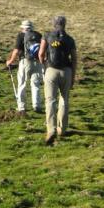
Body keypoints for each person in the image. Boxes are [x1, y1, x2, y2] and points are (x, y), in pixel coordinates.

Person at [38, 15, 77, 145]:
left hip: (51, 70)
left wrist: (44, 65)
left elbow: (41, 53)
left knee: (50, 100)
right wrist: (73, 76)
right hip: (66, 71)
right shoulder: (70, 40)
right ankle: (63, 129)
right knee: (64, 99)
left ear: (53, 24)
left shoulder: (47, 36)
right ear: (64, 24)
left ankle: (51, 129)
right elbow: (75, 59)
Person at [5, 20, 44, 114]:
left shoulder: (21, 36)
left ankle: (21, 106)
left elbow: (16, 51)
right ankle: (37, 105)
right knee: (35, 84)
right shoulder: (39, 35)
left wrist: (10, 61)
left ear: (23, 28)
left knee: (22, 83)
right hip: (38, 62)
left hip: (25, 61)